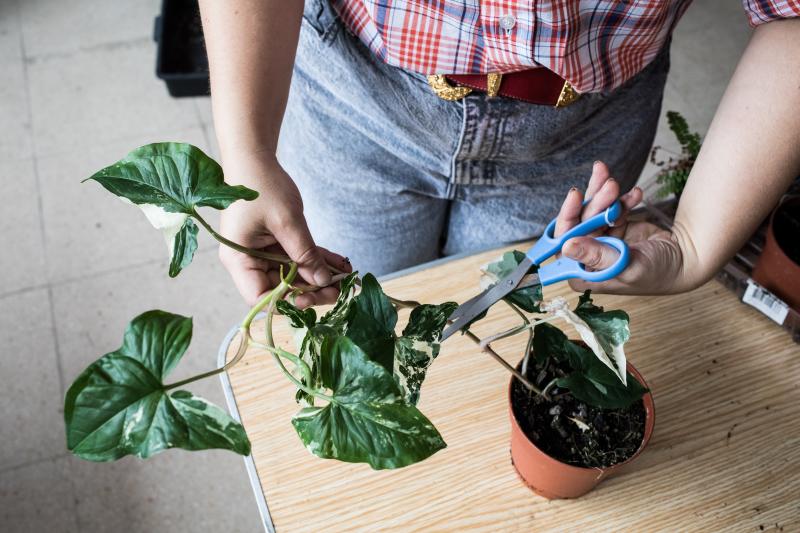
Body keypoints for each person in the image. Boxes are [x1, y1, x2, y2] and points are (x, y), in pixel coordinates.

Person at [198, 1, 800, 309]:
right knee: (353, 308)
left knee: (511, 331)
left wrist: (693, 248)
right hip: (355, 99)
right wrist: (248, 151)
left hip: (583, 127)